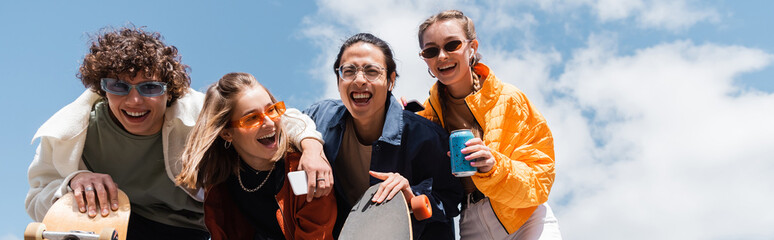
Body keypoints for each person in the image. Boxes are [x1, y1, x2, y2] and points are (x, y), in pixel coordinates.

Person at [26, 26, 332, 239]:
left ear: (169, 91)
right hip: (120, 224)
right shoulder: (74, 132)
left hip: (194, 229)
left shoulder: (196, 112)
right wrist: (73, 180)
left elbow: (279, 116)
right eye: (118, 86)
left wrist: (312, 147)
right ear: (102, 89)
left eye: (149, 87)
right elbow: (36, 199)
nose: (134, 100)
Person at [415, 10, 562, 239]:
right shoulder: (427, 115)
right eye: (431, 50)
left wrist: (494, 166)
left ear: (472, 47)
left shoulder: (511, 99)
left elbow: (541, 180)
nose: (442, 56)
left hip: (525, 218)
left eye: (452, 44)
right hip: (471, 222)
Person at [303, 33, 463, 239]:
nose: (359, 80)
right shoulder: (322, 116)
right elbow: (286, 121)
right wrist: (311, 146)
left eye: (371, 71)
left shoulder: (424, 136)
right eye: (348, 71)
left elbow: (451, 198)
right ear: (338, 78)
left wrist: (411, 196)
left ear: (391, 80)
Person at [176, 72, 337, 240]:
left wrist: (312, 146)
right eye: (252, 118)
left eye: (271, 110)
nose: (268, 122)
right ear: (226, 134)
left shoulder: (301, 171)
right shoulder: (221, 180)